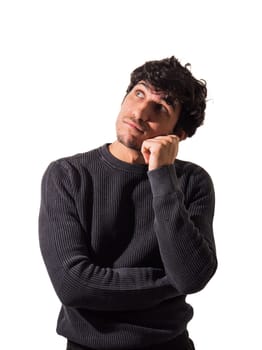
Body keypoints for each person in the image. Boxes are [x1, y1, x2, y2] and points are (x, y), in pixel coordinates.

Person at [39, 55, 217, 350]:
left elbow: (192, 275)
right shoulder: (68, 175)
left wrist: (162, 174)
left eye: (161, 107)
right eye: (139, 93)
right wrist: (168, 282)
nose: (140, 111)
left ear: (178, 135)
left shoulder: (191, 182)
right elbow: (72, 285)